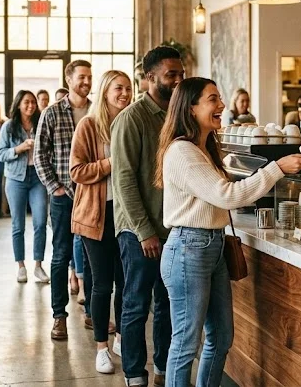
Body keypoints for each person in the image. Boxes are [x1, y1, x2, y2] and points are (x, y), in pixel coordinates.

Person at [157, 78, 301, 387]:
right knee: (186, 344)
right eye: (213, 99)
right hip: (189, 249)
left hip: (210, 246)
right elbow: (227, 195)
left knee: (221, 337)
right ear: (191, 107)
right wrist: (276, 167)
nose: (222, 105)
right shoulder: (182, 152)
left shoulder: (203, 147)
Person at [111, 45, 183, 387]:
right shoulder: (131, 118)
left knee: (167, 305)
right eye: (172, 75)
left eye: (181, 74)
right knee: (136, 306)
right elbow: (123, 180)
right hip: (139, 231)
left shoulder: (177, 116)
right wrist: (144, 232)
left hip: (172, 228)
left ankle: (163, 370)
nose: (178, 80)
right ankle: (134, 375)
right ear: (149, 78)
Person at [70, 70, 132, 373]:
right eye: (118, 88)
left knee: (125, 282)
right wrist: (110, 163)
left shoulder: (131, 124)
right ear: (106, 91)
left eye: (128, 88)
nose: (125, 93)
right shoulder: (89, 125)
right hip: (96, 216)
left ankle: (120, 336)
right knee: (101, 285)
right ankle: (101, 348)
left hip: (126, 217)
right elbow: (77, 171)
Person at [36, 59, 95, 341]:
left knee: (94, 255)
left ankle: (93, 312)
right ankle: (59, 316)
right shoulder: (51, 113)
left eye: (89, 77)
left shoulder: (98, 111)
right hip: (63, 196)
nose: (86, 81)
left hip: (93, 194)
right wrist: (55, 187)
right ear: (69, 79)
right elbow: (39, 155)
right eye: (81, 77)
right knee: (61, 256)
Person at [0, 90, 49, 283]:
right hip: (15, 179)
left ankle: (38, 266)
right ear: (18, 104)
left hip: (38, 177)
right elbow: (1, 154)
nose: (31, 106)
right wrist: (20, 148)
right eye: (26, 102)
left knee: (40, 222)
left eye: (33, 103)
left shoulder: (41, 123)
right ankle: (21, 266)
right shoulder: (8, 127)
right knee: (18, 225)